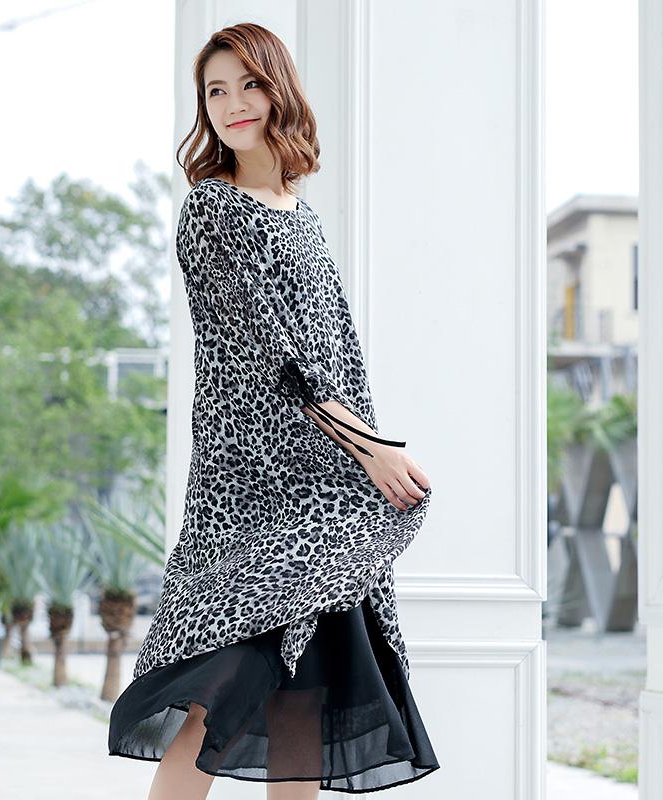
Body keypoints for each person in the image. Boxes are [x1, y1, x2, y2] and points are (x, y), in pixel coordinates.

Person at [108, 21, 440, 798]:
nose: (232, 104)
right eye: (214, 91)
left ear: (278, 89)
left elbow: (336, 350)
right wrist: (374, 448)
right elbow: (277, 356)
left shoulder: (301, 214)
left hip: (320, 483)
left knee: (302, 701)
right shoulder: (213, 209)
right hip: (249, 492)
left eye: (248, 84)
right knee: (216, 691)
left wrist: (361, 452)